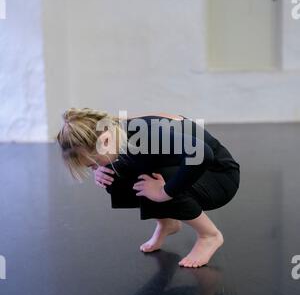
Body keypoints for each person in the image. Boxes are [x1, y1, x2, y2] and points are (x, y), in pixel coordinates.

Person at [56, 108, 240, 268]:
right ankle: (168, 223)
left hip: (219, 177)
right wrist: (100, 169)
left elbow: (202, 154)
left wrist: (165, 192)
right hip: (192, 168)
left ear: (104, 141)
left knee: (160, 178)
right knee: (115, 175)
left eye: (94, 163)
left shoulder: (147, 137)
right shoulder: (115, 129)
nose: (95, 167)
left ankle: (209, 235)